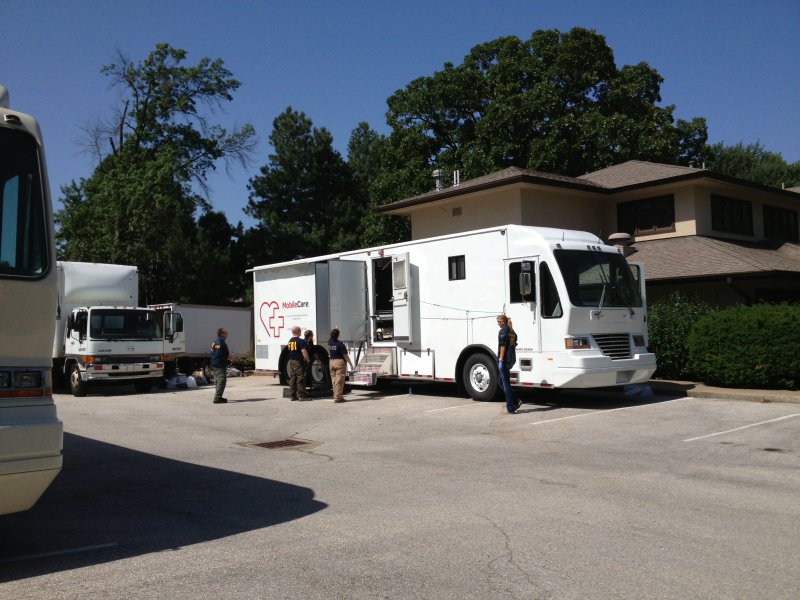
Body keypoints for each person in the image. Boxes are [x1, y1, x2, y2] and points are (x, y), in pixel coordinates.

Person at [496, 315, 520, 414]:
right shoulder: (512, 331)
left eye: (499, 321)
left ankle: (511, 408)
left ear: (503, 322)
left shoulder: (503, 331)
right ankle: (516, 400)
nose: (498, 323)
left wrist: (501, 360)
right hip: (511, 359)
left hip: (505, 360)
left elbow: (503, 346)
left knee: (505, 384)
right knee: (500, 382)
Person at [328, 328, 355, 403]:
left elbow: (332, 337)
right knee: (339, 381)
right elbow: (345, 355)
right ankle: (338, 398)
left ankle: (336, 395)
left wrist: (336, 329)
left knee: (334, 380)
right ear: (338, 335)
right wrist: (350, 364)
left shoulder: (329, 342)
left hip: (331, 362)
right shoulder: (340, 344)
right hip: (339, 362)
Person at [287, 326, 311, 401]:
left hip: (291, 361)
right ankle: (301, 396)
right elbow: (304, 351)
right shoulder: (300, 341)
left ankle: (293, 396)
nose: (300, 331)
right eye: (300, 330)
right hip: (298, 362)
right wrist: (308, 360)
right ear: (297, 331)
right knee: (300, 378)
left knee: (293, 378)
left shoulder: (290, 341)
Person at [210, 328, 230, 404]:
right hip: (218, 364)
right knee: (221, 380)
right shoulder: (219, 342)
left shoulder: (219, 341)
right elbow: (218, 354)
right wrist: (228, 359)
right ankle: (217, 398)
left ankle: (219, 396)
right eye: (226, 333)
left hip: (218, 363)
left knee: (218, 381)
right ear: (221, 334)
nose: (227, 335)